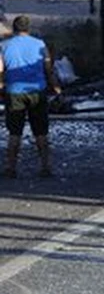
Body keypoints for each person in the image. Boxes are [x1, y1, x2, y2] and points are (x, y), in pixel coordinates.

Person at [0, 15, 61, 178]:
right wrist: (56, 88)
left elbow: (0, 70)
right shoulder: (40, 44)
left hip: (14, 92)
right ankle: (45, 166)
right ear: (28, 28)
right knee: (41, 132)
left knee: (14, 133)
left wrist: (1, 86)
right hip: (37, 91)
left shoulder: (4, 45)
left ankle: (11, 168)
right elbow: (48, 69)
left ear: (14, 28)